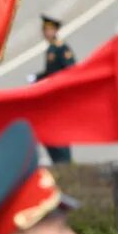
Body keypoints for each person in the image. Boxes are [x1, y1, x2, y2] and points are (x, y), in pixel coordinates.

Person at [36, 16, 77, 165]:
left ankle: (65, 164)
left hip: (60, 99)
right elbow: (50, 72)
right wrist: (38, 77)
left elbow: (70, 71)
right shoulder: (51, 49)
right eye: (44, 30)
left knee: (59, 135)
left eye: (48, 30)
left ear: (55, 31)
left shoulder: (62, 48)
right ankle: (61, 163)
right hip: (51, 98)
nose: (46, 33)